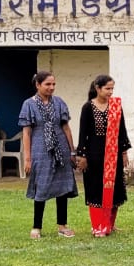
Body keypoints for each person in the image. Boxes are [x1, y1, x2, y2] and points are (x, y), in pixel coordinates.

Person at [19, 71, 78, 239]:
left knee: (63, 187)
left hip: (61, 149)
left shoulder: (59, 102)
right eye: (47, 84)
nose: (51, 87)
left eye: (53, 84)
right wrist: (28, 158)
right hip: (40, 150)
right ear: (38, 85)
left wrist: (72, 151)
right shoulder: (28, 104)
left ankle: (62, 225)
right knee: (42, 186)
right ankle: (36, 226)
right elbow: (26, 133)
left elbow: (66, 127)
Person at [75, 75, 131, 237]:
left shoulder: (115, 106)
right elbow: (83, 133)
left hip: (113, 154)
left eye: (112, 88)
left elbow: (122, 131)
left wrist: (124, 152)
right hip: (94, 153)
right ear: (98, 88)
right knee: (95, 188)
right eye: (107, 88)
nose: (110, 92)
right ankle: (97, 226)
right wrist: (82, 155)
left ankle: (109, 224)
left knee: (114, 187)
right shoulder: (88, 107)